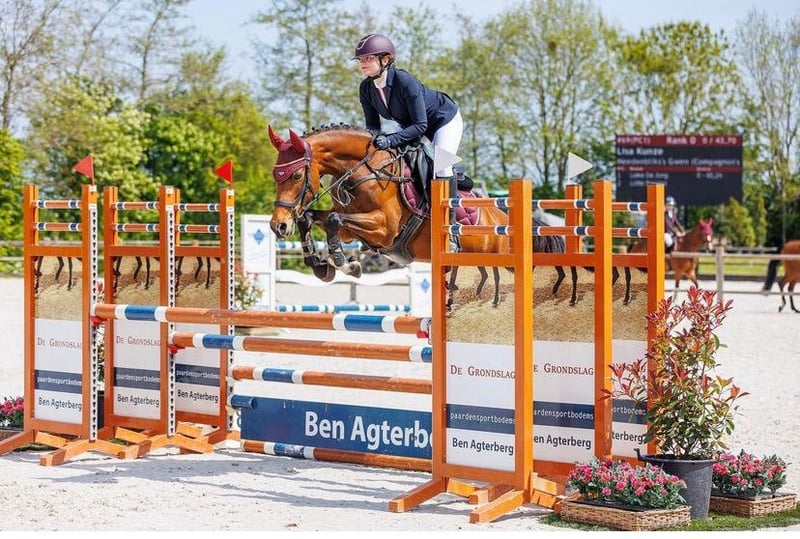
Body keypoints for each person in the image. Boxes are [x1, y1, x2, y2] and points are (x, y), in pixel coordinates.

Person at [353, 33, 463, 202]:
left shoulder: (405, 81)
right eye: (360, 59)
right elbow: (373, 127)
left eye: (368, 58)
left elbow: (420, 125)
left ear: (385, 59)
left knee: (442, 166)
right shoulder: (366, 88)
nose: (362, 63)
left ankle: (450, 214)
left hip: (443, 120)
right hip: (413, 125)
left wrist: (390, 140)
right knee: (400, 161)